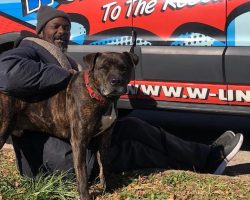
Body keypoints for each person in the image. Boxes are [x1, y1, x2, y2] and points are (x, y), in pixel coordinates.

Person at [0, 5, 244, 179]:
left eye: (66, 27)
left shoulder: (63, 58)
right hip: (55, 157)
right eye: (55, 27)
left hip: (79, 137)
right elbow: (7, 72)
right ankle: (194, 162)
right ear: (41, 30)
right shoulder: (29, 49)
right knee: (131, 149)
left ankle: (206, 157)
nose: (62, 32)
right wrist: (67, 76)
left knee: (134, 126)